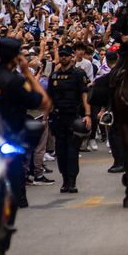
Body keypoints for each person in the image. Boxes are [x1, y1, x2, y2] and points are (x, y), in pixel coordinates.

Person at [0, 38, 50, 210]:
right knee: (16, 171)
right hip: (10, 135)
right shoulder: (16, 81)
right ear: (15, 58)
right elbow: (43, 103)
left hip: (5, 138)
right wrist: (27, 73)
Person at [48, 45, 91, 193]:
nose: (63, 57)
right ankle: (65, 180)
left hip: (73, 116)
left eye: (66, 55)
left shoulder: (79, 74)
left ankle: (72, 181)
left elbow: (85, 96)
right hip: (58, 117)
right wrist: (45, 119)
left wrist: (88, 115)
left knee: (72, 151)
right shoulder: (54, 76)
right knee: (60, 151)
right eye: (61, 55)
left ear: (71, 57)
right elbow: (49, 99)